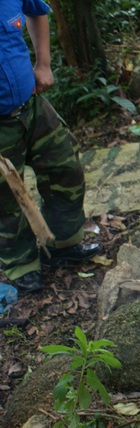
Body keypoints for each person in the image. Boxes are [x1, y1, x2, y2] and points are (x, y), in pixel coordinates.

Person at [0, 0, 103, 293]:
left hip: (31, 106)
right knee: (5, 201)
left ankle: (62, 242)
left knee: (65, 168)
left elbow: (37, 10)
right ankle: (21, 265)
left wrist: (43, 63)